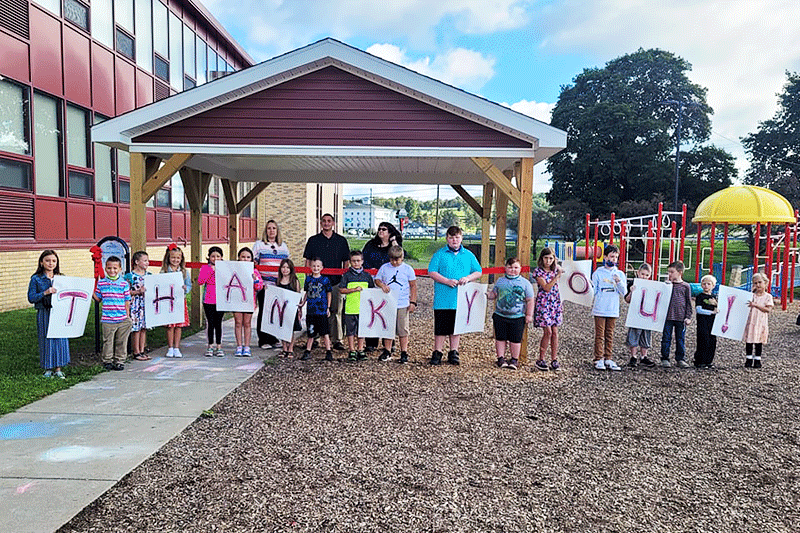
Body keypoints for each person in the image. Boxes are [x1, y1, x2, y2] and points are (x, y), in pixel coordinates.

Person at [427, 225, 483, 365]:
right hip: (443, 298)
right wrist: (446, 281)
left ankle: (454, 351)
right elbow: (432, 272)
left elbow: (478, 271)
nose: (454, 240)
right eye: (451, 238)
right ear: (447, 238)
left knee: (456, 327)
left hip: (461, 298)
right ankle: (437, 351)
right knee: (441, 327)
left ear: (461, 238)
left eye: (457, 237)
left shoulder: (468, 255)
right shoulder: (439, 254)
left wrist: (468, 278)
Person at [303, 213, 350, 351]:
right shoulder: (313, 240)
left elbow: (346, 262)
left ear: (333, 223)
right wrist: (308, 277)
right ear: (320, 223)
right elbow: (308, 260)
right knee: (315, 312)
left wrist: (344, 278)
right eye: (324, 221)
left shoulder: (341, 241)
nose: (326, 223)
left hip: (335, 281)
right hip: (316, 283)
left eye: (329, 221)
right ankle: (315, 338)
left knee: (336, 311)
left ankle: (337, 339)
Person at [27, 250, 70, 378]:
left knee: (60, 339)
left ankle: (58, 368)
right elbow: (31, 297)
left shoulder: (61, 278)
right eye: (47, 260)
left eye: (53, 261)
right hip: (44, 312)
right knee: (46, 338)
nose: (51, 263)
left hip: (59, 312)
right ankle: (47, 368)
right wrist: (45, 292)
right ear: (41, 262)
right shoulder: (36, 279)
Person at [362, 222, 403, 352]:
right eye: (379, 229)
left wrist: (394, 242)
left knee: (388, 311)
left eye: (384, 229)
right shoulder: (370, 245)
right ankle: (371, 341)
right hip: (373, 280)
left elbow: (400, 256)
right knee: (372, 311)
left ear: (390, 232)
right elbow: (364, 258)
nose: (381, 231)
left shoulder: (393, 246)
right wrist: (370, 269)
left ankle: (389, 341)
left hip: (389, 283)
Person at [487, 257, 534, 371]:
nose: (513, 270)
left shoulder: (525, 283)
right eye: (510, 267)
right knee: (500, 338)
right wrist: (489, 295)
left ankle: (514, 359)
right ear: (505, 268)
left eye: (516, 267)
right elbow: (495, 294)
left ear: (520, 269)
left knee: (515, 339)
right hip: (500, 315)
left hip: (517, 317)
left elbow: (530, 300)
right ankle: (501, 358)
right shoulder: (500, 281)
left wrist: (529, 314)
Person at [374, 246, 418, 364]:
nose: (394, 262)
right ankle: (387, 350)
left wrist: (413, 302)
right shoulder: (384, 268)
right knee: (388, 327)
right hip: (389, 302)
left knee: (403, 328)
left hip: (402, 303)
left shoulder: (408, 269)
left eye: (397, 259)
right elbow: (377, 279)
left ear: (402, 258)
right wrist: (382, 285)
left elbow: (413, 286)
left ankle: (404, 351)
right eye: (392, 259)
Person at [253, 220, 290, 350]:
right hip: (264, 284)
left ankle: (273, 338)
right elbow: (254, 265)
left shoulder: (283, 246)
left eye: (274, 228)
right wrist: (259, 282)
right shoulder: (259, 245)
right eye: (269, 228)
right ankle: (263, 339)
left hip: (279, 284)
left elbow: (287, 265)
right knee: (264, 311)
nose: (271, 230)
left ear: (277, 230)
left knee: (276, 311)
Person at [591, 245, 626, 371]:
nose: (614, 259)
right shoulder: (598, 273)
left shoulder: (620, 274)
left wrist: (619, 282)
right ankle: (598, 358)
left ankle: (608, 357)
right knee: (600, 334)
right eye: (611, 256)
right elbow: (593, 291)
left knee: (609, 334)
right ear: (605, 257)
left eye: (616, 257)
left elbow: (624, 292)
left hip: (613, 308)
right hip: (600, 307)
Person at [93, 256, 131, 371]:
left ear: (120, 269)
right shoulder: (102, 283)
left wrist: (128, 317)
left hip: (122, 318)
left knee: (121, 341)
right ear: (105, 268)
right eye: (109, 268)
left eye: (115, 268)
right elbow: (98, 299)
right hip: (108, 319)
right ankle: (107, 360)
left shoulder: (124, 284)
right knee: (108, 341)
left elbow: (127, 301)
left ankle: (119, 360)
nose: (112, 271)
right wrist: (90, 292)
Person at [339, 250, 375, 361]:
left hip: (363, 308)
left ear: (362, 261)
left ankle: (360, 349)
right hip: (350, 307)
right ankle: (352, 350)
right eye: (354, 261)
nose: (356, 263)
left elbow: (372, 290)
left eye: (358, 261)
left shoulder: (367, 276)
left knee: (361, 330)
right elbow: (341, 290)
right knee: (350, 331)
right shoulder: (347, 275)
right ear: (350, 262)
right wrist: (353, 290)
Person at [532, 247, 563, 371]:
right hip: (544, 304)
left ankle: (554, 359)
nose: (548, 261)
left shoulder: (555, 270)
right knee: (548, 332)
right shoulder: (539, 272)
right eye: (546, 258)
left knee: (555, 332)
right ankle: (541, 358)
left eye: (551, 258)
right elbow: (546, 287)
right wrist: (557, 277)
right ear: (542, 258)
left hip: (554, 303)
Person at [299, 258, 333, 362]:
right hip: (311, 311)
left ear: (322, 268)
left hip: (321, 310)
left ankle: (328, 352)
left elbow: (329, 293)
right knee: (311, 332)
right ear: (310, 267)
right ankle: (308, 351)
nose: (316, 268)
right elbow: (306, 293)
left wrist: (328, 307)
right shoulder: (308, 279)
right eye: (314, 266)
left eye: (318, 266)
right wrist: (303, 303)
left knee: (325, 333)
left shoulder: (325, 280)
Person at [660, 261, 693, 368]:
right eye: (668, 272)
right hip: (668, 317)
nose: (669, 274)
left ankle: (680, 358)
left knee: (680, 339)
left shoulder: (685, 286)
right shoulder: (667, 286)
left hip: (681, 317)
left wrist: (688, 317)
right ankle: (665, 358)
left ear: (679, 272)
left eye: (672, 272)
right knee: (666, 338)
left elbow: (689, 303)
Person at [160, 244, 191, 358]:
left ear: (181, 259)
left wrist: (185, 289)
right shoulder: (164, 271)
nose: (175, 260)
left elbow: (189, 285)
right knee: (170, 326)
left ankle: (177, 347)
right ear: (168, 257)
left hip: (179, 301)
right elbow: (160, 284)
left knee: (178, 326)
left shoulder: (184, 271)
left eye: (178, 258)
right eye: (173, 257)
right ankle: (170, 347)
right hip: (168, 302)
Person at [232, 247, 264, 357]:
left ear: (251, 259)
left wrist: (255, 279)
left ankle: (247, 346)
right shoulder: (233, 270)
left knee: (247, 323)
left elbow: (259, 287)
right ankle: (239, 346)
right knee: (238, 323)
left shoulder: (254, 271)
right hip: (236, 301)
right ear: (239, 258)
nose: (245, 259)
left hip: (249, 302)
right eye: (243, 257)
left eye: (248, 257)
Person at [624, 263, 657, 368]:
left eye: (647, 275)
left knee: (646, 335)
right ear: (638, 273)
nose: (644, 277)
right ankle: (633, 356)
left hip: (647, 316)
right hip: (635, 315)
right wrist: (631, 292)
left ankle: (644, 356)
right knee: (634, 334)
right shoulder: (632, 283)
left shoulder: (652, 286)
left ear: (650, 275)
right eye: (642, 274)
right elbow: (627, 300)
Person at [198, 247, 225, 357]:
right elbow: (200, 281)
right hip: (208, 299)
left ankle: (219, 346)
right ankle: (210, 345)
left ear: (221, 257)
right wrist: (210, 271)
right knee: (210, 323)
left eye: (218, 256)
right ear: (209, 257)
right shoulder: (205, 268)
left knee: (218, 323)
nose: (215, 258)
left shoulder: (224, 268)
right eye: (213, 256)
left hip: (221, 299)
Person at [124, 251, 151, 361]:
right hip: (135, 305)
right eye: (144, 261)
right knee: (136, 328)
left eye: (147, 261)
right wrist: (138, 291)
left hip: (145, 304)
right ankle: (136, 351)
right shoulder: (130, 276)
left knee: (143, 328)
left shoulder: (149, 275)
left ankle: (142, 349)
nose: (147, 263)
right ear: (136, 261)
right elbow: (126, 291)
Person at [744, 272, 773, 369]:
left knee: (758, 341)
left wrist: (756, 305)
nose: (758, 285)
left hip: (760, 322)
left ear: (765, 283)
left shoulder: (768, 296)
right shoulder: (751, 296)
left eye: (760, 282)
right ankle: (748, 359)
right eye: (755, 283)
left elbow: (768, 309)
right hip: (751, 320)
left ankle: (757, 359)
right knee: (749, 340)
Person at [276, 258, 302, 357]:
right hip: (281, 310)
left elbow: (298, 295)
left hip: (292, 309)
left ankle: (290, 348)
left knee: (291, 329)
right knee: (282, 328)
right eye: (283, 267)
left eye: (287, 267)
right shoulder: (278, 281)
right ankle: (284, 348)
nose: (285, 269)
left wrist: (299, 309)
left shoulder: (295, 281)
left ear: (291, 269)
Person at [694, 274, 719, 368]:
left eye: (709, 284)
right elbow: (698, 310)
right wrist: (711, 312)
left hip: (712, 323)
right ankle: (700, 361)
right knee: (703, 341)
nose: (706, 286)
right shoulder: (700, 296)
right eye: (704, 284)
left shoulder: (714, 297)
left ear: (713, 285)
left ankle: (709, 361)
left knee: (712, 341)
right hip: (703, 323)